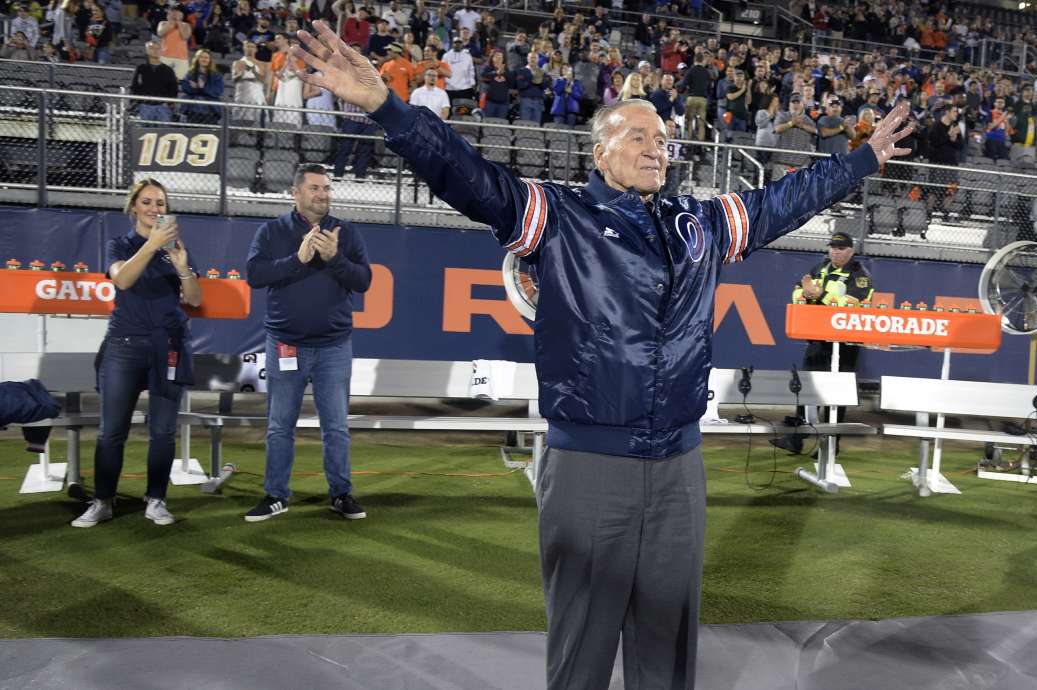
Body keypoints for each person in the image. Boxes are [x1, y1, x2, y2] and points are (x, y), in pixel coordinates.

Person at [290, 19, 912, 689]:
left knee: (667, 655)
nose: (657, 148)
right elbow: (465, 176)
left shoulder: (699, 224)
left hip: (678, 465)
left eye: (665, 140)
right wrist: (390, 108)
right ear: (602, 148)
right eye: (639, 135)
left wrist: (863, 159)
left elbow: (784, 201)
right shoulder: (558, 216)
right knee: (581, 657)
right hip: (589, 466)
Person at [244, 164, 372, 522]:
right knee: (279, 426)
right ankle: (276, 496)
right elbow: (254, 274)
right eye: (316, 188)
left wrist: (335, 259)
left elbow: (363, 281)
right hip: (286, 345)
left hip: (334, 347)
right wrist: (297, 260)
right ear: (296, 192)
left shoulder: (345, 233)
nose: (323, 194)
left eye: (327, 188)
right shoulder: (272, 232)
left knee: (336, 427)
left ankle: (341, 494)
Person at [72, 179, 201, 528]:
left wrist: (182, 267)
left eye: (160, 202)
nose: (154, 208)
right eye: (146, 202)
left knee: (162, 431)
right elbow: (123, 280)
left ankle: (156, 500)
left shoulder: (175, 247)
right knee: (111, 431)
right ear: (133, 207)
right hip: (124, 347)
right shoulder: (120, 244)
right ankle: (102, 501)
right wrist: (151, 246)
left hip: (169, 347)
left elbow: (194, 299)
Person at [771, 232, 873, 455]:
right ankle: (795, 439)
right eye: (832, 247)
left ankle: (830, 446)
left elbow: (851, 306)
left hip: (845, 344)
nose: (834, 252)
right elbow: (798, 290)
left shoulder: (859, 274)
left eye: (840, 248)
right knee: (806, 388)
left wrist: (820, 293)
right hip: (817, 338)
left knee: (836, 395)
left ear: (851, 251)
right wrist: (806, 294)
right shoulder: (820, 268)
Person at [130, 40, 179, 122]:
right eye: (151, 48)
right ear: (147, 50)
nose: (155, 50)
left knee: (163, 133)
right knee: (143, 131)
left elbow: (173, 89)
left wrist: (168, 103)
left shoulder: (168, 70)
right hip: (144, 106)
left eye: (158, 48)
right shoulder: (141, 68)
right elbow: (135, 86)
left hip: (163, 107)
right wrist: (137, 103)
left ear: (161, 51)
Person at [179, 49, 224, 124]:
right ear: (197, 59)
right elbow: (185, 88)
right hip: (192, 109)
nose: (204, 59)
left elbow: (218, 91)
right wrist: (197, 87)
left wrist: (203, 87)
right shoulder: (190, 73)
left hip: (210, 110)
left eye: (206, 57)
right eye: (202, 57)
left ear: (210, 60)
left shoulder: (217, 75)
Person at [156, 7, 191, 79]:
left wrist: (179, 23)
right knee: (161, 78)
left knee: (180, 79)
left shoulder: (186, 25)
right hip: (165, 56)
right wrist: (171, 24)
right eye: (172, 14)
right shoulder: (162, 23)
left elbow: (185, 37)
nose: (174, 15)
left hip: (182, 58)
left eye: (177, 14)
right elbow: (160, 34)